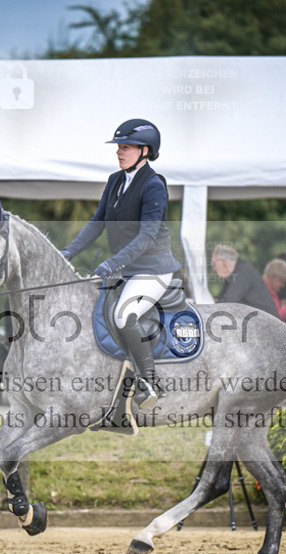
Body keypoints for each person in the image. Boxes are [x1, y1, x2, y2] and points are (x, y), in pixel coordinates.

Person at [60, 119, 180, 408]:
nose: (119, 152)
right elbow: (97, 222)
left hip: (152, 269)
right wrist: (66, 253)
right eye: (118, 147)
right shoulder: (115, 180)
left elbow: (147, 236)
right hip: (128, 269)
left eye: (125, 147)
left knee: (124, 315)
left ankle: (149, 382)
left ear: (145, 150)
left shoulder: (154, 185)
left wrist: (113, 263)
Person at [211, 245, 280, 318]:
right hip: (258, 320)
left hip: (268, 323)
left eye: (213, 263)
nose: (213, 268)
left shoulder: (243, 271)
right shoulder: (234, 273)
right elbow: (221, 299)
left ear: (223, 262)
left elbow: (229, 302)